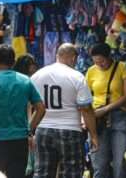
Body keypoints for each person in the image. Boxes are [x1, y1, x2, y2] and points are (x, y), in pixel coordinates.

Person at [31, 43, 98, 178]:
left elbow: (29, 105)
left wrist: (30, 130)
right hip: (70, 130)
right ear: (73, 58)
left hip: (43, 130)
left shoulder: (37, 75)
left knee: (42, 172)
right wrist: (94, 135)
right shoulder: (76, 77)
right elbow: (86, 109)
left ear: (57, 56)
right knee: (71, 172)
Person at [0, 44, 45, 178]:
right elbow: (41, 109)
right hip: (20, 140)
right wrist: (29, 129)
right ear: (14, 62)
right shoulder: (25, 81)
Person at [85, 43, 126, 178]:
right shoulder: (91, 71)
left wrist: (106, 109)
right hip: (98, 119)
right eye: (96, 62)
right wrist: (86, 118)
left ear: (109, 56)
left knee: (120, 163)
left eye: (102, 61)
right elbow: (85, 97)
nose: (99, 64)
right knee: (99, 163)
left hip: (119, 116)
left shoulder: (122, 67)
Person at [13, 53, 38, 178]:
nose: (35, 67)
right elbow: (29, 109)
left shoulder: (15, 80)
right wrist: (30, 132)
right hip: (23, 127)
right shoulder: (27, 82)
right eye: (32, 65)